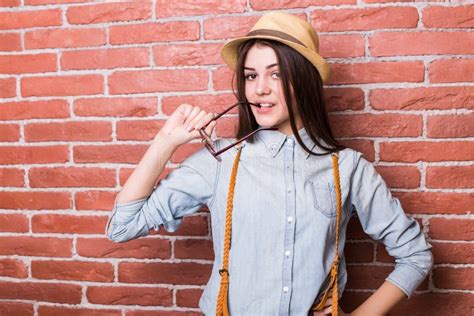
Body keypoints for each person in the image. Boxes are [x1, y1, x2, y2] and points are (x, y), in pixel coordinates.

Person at [106, 11, 433, 316]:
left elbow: (416, 256)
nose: (259, 88)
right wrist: (165, 141)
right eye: (250, 75)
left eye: (275, 74)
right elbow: (123, 226)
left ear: (304, 79)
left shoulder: (347, 168)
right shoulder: (220, 161)